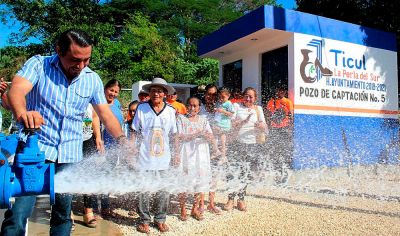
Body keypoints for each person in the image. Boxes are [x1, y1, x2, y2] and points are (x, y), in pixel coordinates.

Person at [0, 29, 128, 236]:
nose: (81, 66)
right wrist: (23, 113)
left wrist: (123, 140)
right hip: (35, 154)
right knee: (18, 213)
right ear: (59, 50)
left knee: (62, 215)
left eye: (86, 60)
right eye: (75, 60)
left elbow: (105, 114)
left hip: (69, 156)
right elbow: (16, 90)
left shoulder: (92, 79)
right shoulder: (39, 65)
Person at [130, 77, 177, 234]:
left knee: (163, 189)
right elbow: (134, 131)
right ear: (149, 92)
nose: (156, 93)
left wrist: (176, 154)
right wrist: (132, 151)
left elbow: (175, 135)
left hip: (164, 157)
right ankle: (144, 220)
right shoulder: (142, 108)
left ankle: (160, 219)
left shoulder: (171, 111)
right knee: (143, 188)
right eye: (153, 90)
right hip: (144, 156)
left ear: (165, 93)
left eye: (159, 91)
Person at [174, 97, 219, 221]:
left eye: (195, 106)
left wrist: (212, 143)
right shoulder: (181, 119)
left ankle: (195, 208)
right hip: (186, 153)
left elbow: (210, 135)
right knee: (183, 180)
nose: (192, 108)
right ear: (186, 106)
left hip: (201, 153)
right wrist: (177, 154)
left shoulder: (204, 120)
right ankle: (183, 209)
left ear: (199, 108)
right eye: (190, 105)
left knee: (200, 180)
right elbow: (179, 136)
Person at [223, 87, 267, 211]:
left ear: (255, 98)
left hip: (252, 145)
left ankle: (241, 199)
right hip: (236, 144)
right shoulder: (236, 106)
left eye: (251, 97)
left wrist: (261, 125)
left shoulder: (258, 109)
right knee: (232, 172)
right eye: (246, 96)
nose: (248, 98)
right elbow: (230, 124)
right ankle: (230, 199)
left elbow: (265, 127)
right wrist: (243, 122)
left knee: (245, 172)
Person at [199, 84, 222, 215]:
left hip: (216, 146)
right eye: (209, 93)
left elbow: (227, 126)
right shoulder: (199, 108)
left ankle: (211, 203)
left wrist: (222, 130)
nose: (211, 97)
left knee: (214, 175)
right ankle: (201, 203)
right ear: (205, 94)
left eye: (214, 94)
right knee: (202, 174)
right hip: (202, 146)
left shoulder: (220, 109)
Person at [265, 86, 294, 184]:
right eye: (279, 90)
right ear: (276, 91)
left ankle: (285, 173)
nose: (280, 92)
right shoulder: (271, 102)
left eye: (283, 90)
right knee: (275, 152)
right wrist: (268, 127)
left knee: (284, 151)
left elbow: (291, 115)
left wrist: (290, 128)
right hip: (274, 129)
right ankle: (278, 174)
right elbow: (267, 114)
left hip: (284, 129)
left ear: (285, 92)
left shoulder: (287, 102)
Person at [82, 104, 104, 228]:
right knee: (68, 173)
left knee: (89, 176)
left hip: (88, 140)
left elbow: (95, 117)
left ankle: (88, 211)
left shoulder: (90, 97)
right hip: (70, 141)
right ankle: (68, 213)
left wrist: (98, 137)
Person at [213, 87, 234, 164]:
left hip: (224, 124)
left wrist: (223, 111)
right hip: (219, 123)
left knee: (222, 141)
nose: (221, 99)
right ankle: (217, 151)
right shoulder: (222, 103)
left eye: (223, 97)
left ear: (228, 96)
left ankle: (223, 156)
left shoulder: (228, 103)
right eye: (220, 97)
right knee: (216, 138)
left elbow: (231, 114)